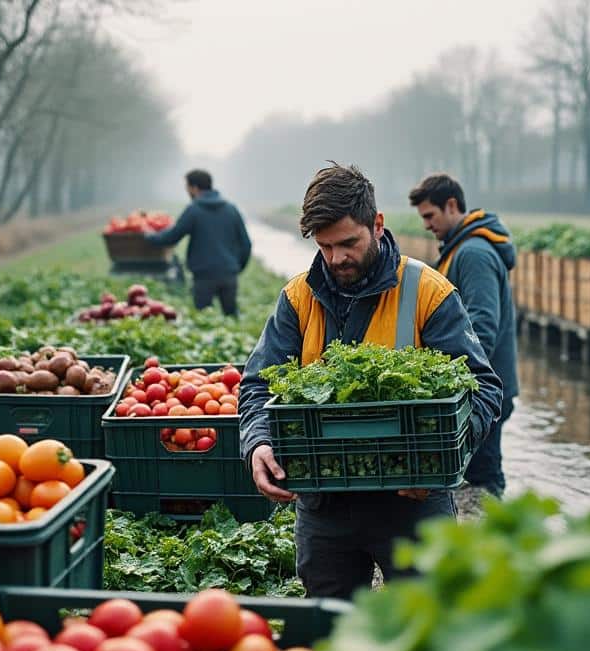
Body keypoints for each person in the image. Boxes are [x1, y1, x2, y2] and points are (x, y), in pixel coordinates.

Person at [238, 163, 504, 599]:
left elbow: (482, 387)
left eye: (348, 243)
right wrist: (259, 443)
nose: (337, 258)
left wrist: (441, 457)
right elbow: (256, 385)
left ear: (377, 225)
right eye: (325, 247)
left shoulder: (427, 291)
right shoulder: (297, 297)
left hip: (412, 499)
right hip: (324, 502)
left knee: (423, 628)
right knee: (327, 627)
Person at [409, 173, 518, 499]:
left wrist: (461, 381)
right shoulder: (460, 249)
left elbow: (482, 325)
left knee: (483, 477)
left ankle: (495, 530)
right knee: (475, 472)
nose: (427, 225)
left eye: (430, 215)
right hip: (480, 387)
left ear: (452, 205)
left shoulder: (473, 254)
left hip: (482, 390)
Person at [144, 169, 252, 317]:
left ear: (194, 188)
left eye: (187, 187)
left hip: (203, 275)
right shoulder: (231, 209)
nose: (187, 191)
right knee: (231, 315)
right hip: (228, 273)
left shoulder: (194, 210)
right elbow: (246, 244)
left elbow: (173, 236)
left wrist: (149, 236)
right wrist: (237, 267)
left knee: (202, 319)